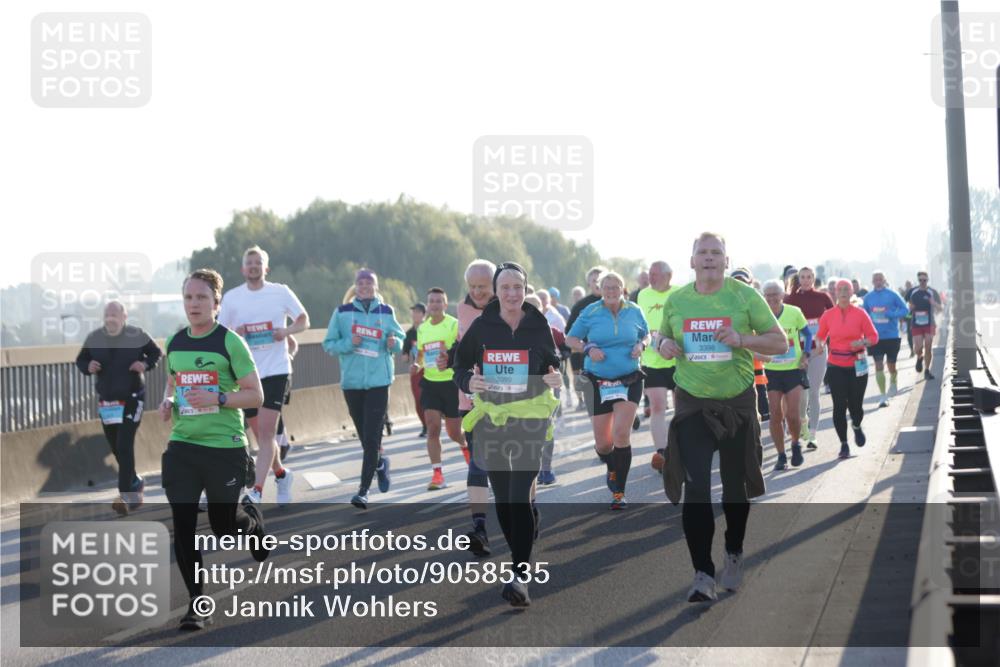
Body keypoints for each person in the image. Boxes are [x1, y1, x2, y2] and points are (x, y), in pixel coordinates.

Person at [659, 232, 786, 603]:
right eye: (703, 252)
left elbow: (780, 344)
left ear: (727, 261)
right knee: (696, 488)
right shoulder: (677, 299)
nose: (710, 258)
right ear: (692, 260)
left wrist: (743, 340)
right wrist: (663, 344)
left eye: (717, 253)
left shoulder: (745, 296)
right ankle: (701, 573)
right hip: (693, 404)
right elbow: (661, 340)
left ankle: (733, 550)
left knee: (735, 488)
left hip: (736, 403)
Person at [158, 268, 269, 631]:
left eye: (202, 298)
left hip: (224, 447)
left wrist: (219, 397)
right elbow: (174, 383)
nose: (194, 304)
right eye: (189, 298)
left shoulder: (230, 343)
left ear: (216, 304)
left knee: (225, 527)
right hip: (183, 445)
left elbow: (256, 394)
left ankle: (250, 524)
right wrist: (167, 401)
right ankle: (197, 604)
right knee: (183, 526)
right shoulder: (175, 342)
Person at [453, 262, 562, 607]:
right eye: (505, 288)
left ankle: (519, 574)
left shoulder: (537, 323)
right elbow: (459, 364)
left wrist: (553, 374)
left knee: (519, 494)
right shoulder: (483, 325)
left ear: (525, 289)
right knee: (503, 498)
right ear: (497, 292)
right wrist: (468, 382)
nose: (512, 294)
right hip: (493, 419)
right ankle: (521, 560)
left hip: (529, 418)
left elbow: (551, 358)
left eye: (518, 287)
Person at [218, 246, 309, 507]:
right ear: (243, 269)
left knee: (267, 434)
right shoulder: (233, 298)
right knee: (261, 436)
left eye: (259, 262)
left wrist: (286, 330)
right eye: (250, 263)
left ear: (265, 268)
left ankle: (256, 490)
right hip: (247, 375)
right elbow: (222, 333)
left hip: (277, 370)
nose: (254, 266)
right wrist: (238, 333)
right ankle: (281, 474)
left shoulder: (280, 292)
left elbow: (304, 320)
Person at [567, 270, 650, 510]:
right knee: (604, 444)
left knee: (621, 434)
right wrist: (589, 347)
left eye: (616, 287)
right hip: (598, 379)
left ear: (623, 289)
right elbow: (570, 339)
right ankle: (611, 466)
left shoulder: (634, 310)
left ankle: (619, 493)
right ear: (600, 290)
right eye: (607, 287)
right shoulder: (590, 312)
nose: (611, 291)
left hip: (629, 377)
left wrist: (641, 345)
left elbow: (646, 335)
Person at [323, 268, 405, 509]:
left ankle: (362, 491)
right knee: (364, 437)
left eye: (370, 283)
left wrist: (394, 343)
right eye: (361, 283)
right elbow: (329, 344)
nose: (365, 287)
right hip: (352, 383)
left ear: (376, 287)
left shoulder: (387, 311)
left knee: (371, 438)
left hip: (380, 382)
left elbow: (399, 341)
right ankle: (380, 464)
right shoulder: (342, 313)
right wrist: (349, 343)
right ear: (355, 287)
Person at [75, 300, 162, 515]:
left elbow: (156, 353)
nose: (110, 318)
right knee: (116, 447)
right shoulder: (95, 338)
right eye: (107, 314)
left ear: (124, 316)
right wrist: (88, 366)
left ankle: (126, 496)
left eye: (115, 314)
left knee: (124, 445)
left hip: (133, 398)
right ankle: (134, 480)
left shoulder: (136, 335)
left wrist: (145, 364)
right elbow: (81, 360)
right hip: (108, 402)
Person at [454, 259, 498, 556]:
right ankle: (479, 527)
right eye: (472, 287)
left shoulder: (511, 306)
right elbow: (459, 348)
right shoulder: (462, 309)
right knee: (479, 460)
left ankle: (526, 511)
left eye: (482, 287)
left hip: (511, 401)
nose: (477, 292)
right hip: (471, 399)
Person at [816, 279, 879, 459]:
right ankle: (844, 444)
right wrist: (820, 345)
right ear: (835, 293)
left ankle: (857, 426)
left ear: (852, 293)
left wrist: (862, 342)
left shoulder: (860, 314)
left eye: (846, 289)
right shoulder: (828, 315)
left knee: (856, 405)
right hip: (835, 365)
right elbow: (820, 336)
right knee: (839, 406)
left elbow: (874, 337)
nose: (843, 292)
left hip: (857, 364)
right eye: (840, 289)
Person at [414, 287, 468, 489]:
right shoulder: (422, 328)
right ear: (427, 305)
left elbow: (462, 351)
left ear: (445, 305)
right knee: (433, 427)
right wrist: (416, 364)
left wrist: (449, 353)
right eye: (432, 301)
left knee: (454, 433)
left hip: (451, 383)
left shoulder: (453, 325)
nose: (435, 304)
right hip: (430, 382)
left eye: (439, 301)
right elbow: (421, 354)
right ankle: (437, 475)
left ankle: (466, 446)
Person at [761, 280, 811, 470]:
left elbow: (808, 334)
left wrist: (805, 355)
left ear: (782, 295)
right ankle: (781, 455)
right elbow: (756, 337)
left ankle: (795, 443)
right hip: (773, 370)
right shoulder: (760, 315)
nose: (772, 298)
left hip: (793, 369)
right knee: (775, 415)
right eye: (768, 294)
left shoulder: (794, 312)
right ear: (763, 297)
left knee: (792, 414)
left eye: (775, 294)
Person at [784, 266, 834, 449]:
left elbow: (833, 320)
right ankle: (803, 425)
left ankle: (812, 435)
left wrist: (825, 340)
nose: (805, 280)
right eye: (802, 277)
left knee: (813, 392)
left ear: (814, 278)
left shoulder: (823, 297)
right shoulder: (790, 300)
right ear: (799, 279)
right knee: (801, 395)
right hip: (798, 353)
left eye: (809, 277)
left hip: (819, 351)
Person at [636, 261, 677, 472]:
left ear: (669, 276)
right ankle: (662, 454)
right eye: (650, 274)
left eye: (656, 274)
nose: (651, 278)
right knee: (658, 406)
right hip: (652, 361)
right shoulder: (643, 295)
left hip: (679, 359)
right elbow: (639, 323)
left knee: (683, 410)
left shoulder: (680, 293)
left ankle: (682, 448)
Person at [525, 293, 565, 485]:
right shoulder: (513, 333)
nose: (531, 312)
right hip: (522, 389)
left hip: (548, 386)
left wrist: (557, 366)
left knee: (546, 427)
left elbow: (565, 348)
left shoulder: (551, 330)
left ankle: (546, 469)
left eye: (535, 308)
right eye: (527, 307)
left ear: (542, 310)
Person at [862, 271, 909, 407]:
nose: (878, 281)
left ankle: (893, 381)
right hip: (875, 337)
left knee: (891, 365)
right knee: (878, 365)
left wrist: (892, 314)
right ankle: (883, 396)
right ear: (872, 281)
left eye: (880, 279)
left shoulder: (893, 294)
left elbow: (905, 310)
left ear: (884, 280)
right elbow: (863, 315)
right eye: (875, 279)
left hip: (891, 335)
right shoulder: (868, 298)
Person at [731, 268, 770, 421]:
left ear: (750, 283)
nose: (740, 286)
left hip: (755, 364)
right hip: (732, 367)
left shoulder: (758, 305)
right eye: (736, 283)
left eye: (744, 282)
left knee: (758, 413)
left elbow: (768, 336)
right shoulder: (721, 306)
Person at [565, 266, 606, 409]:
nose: (597, 283)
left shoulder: (618, 303)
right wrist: (586, 346)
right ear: (588, 283)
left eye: (600, 280)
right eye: (594, 280)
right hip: (589, 354)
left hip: (614, 354)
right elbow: (569, 331)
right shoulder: (581, 306)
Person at [907, 271, 943, 381]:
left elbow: (940, 308)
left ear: (928, 280)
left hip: (930, 323)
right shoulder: (912, 292)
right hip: (916, 323)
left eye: (925, 280)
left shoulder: (933, 292)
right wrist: (910, 308)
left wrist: (933, 303)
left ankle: (927, 370)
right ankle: (919, 357)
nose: (922, 282)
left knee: (928, 346)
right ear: (918, 280)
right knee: (918, 348)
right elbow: (906, 307)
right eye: (920, 280)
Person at [402, 302, 428, 438]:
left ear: (424, 314)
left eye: (418, 312)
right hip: (417, 370)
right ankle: (425, 425)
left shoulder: (430, 329)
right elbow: (405, 355)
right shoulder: (409, 334)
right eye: (413, 312)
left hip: (431, 369)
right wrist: (405, 356)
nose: (415, 314)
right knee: (418, 399)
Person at [276, 333, 298, 461]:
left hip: (281, 374)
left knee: (276, 410)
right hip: (260, 374)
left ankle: (280, 446)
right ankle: (284, 443)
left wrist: (290, 355)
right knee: (274, 412)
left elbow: (293, 343)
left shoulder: (276, 325)